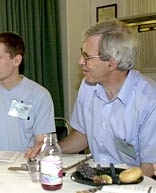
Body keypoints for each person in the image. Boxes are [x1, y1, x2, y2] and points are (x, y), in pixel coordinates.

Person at [59, 19, 156, 177]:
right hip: (96, 178)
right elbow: (83, 135)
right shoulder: (88, 86)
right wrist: (55, 149)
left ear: (112, 63)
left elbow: (149, 168)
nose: (80, 61)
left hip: (132, 186)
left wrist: (115, 188)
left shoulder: (150, 102)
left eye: (87, 57)